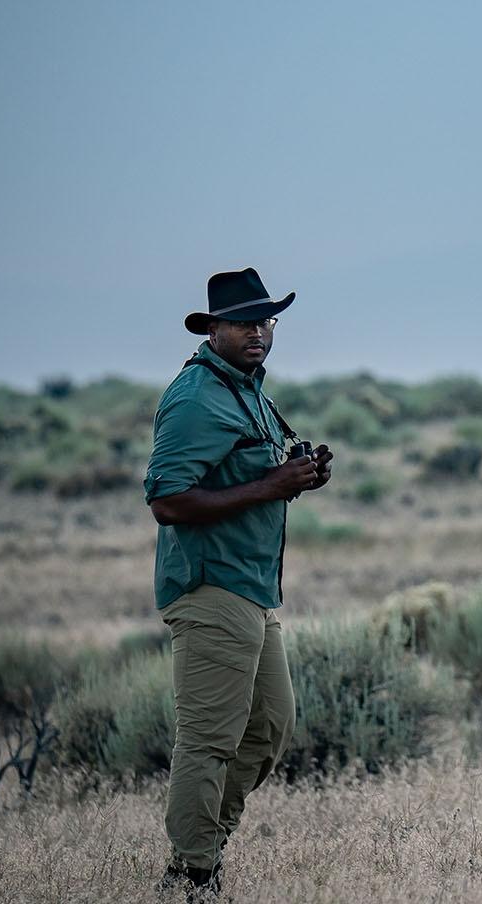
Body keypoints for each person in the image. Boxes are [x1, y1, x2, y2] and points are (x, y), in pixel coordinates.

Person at [143, 267, 333, 896]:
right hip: (210, 586)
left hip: (252, 587)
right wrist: (272, 485)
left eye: (267, 320)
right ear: (214, 328)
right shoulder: (197, 397)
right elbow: (168, 500)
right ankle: (193, 871)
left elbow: (247, 480)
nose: (258, 331)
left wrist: (299, 475)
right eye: (245, 322)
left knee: (271, 724)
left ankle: (203, 846)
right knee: (209, 739)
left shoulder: (247, 389)